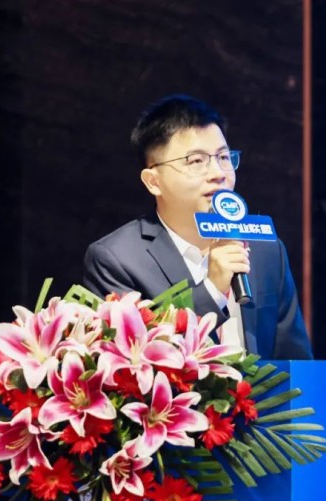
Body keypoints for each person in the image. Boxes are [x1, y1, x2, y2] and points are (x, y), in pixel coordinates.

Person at [83, 95, 312, 360]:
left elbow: (296, 364)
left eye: (223, 157)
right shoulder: (117, 260)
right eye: (196, 161)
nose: (218, 173)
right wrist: (212, 290)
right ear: (153, 181)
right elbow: (137, 365)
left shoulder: (266, 250)